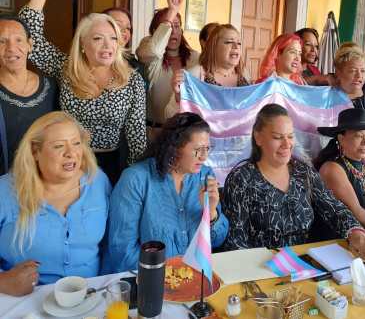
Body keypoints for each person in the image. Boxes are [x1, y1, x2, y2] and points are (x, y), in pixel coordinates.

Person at [19, 0, 146, 185]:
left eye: (113, 38)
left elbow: (137, 137)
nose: (108, 46)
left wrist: (136, 181)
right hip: (67, 162)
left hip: (112, 166)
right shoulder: (66, 69)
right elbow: (30, 38)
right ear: (83, 44)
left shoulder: (131, 80)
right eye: (97, 38)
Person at [222, 104, 365, 264]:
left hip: (306, 264)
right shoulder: (241, 179)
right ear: (258, 138)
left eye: (290, 136)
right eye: (278, 137)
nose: (286, 144)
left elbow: (334, 209)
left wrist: (357, 234)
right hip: (261, 267)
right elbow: (236, 242)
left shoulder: (303, 172)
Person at [105, 113, 228, 272]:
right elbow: (122, 251)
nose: (204, 157)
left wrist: (211, 213)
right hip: (148, 277)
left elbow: (217, 241)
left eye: (207, 149)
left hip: (195, 275)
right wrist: (168, 275)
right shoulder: (135, 179)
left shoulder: (205, 175)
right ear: (174, 148)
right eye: (198, 150)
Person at [0, 111, 111, 285]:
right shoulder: (5, 190)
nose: (71, 153)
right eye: (59, 146)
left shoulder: (97, 181)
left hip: (91, 292)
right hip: (26, 297)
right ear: (35, 152)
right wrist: (4, 281)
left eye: (76, 143)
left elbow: (111, 245)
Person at [0, 15, 58, 175]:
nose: (11, 48)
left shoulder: (52, 87)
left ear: (30, 45)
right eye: (2, 41)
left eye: (18, 40)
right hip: (6, 182)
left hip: (46, 179)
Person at [136, 0, 199, 130]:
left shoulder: (195, 58)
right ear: (156, 32)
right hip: (155, 131)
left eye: (176, 26)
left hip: (184, 132)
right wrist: (172, 12)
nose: (172, 31)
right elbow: (154, 50)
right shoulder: (146, 49)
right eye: (168, 26)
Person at [166, 24, 250, 119]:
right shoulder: (195, 75)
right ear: (213, 47)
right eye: (229, 42)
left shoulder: (245, 75)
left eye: (239, 43)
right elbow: (169, 114)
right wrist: (179, 96)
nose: (236, 46)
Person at [102, 7, 146, 79]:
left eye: (128, 28)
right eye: (118, 25)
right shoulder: (89, 61)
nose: (124, 31)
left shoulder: (135, 66)